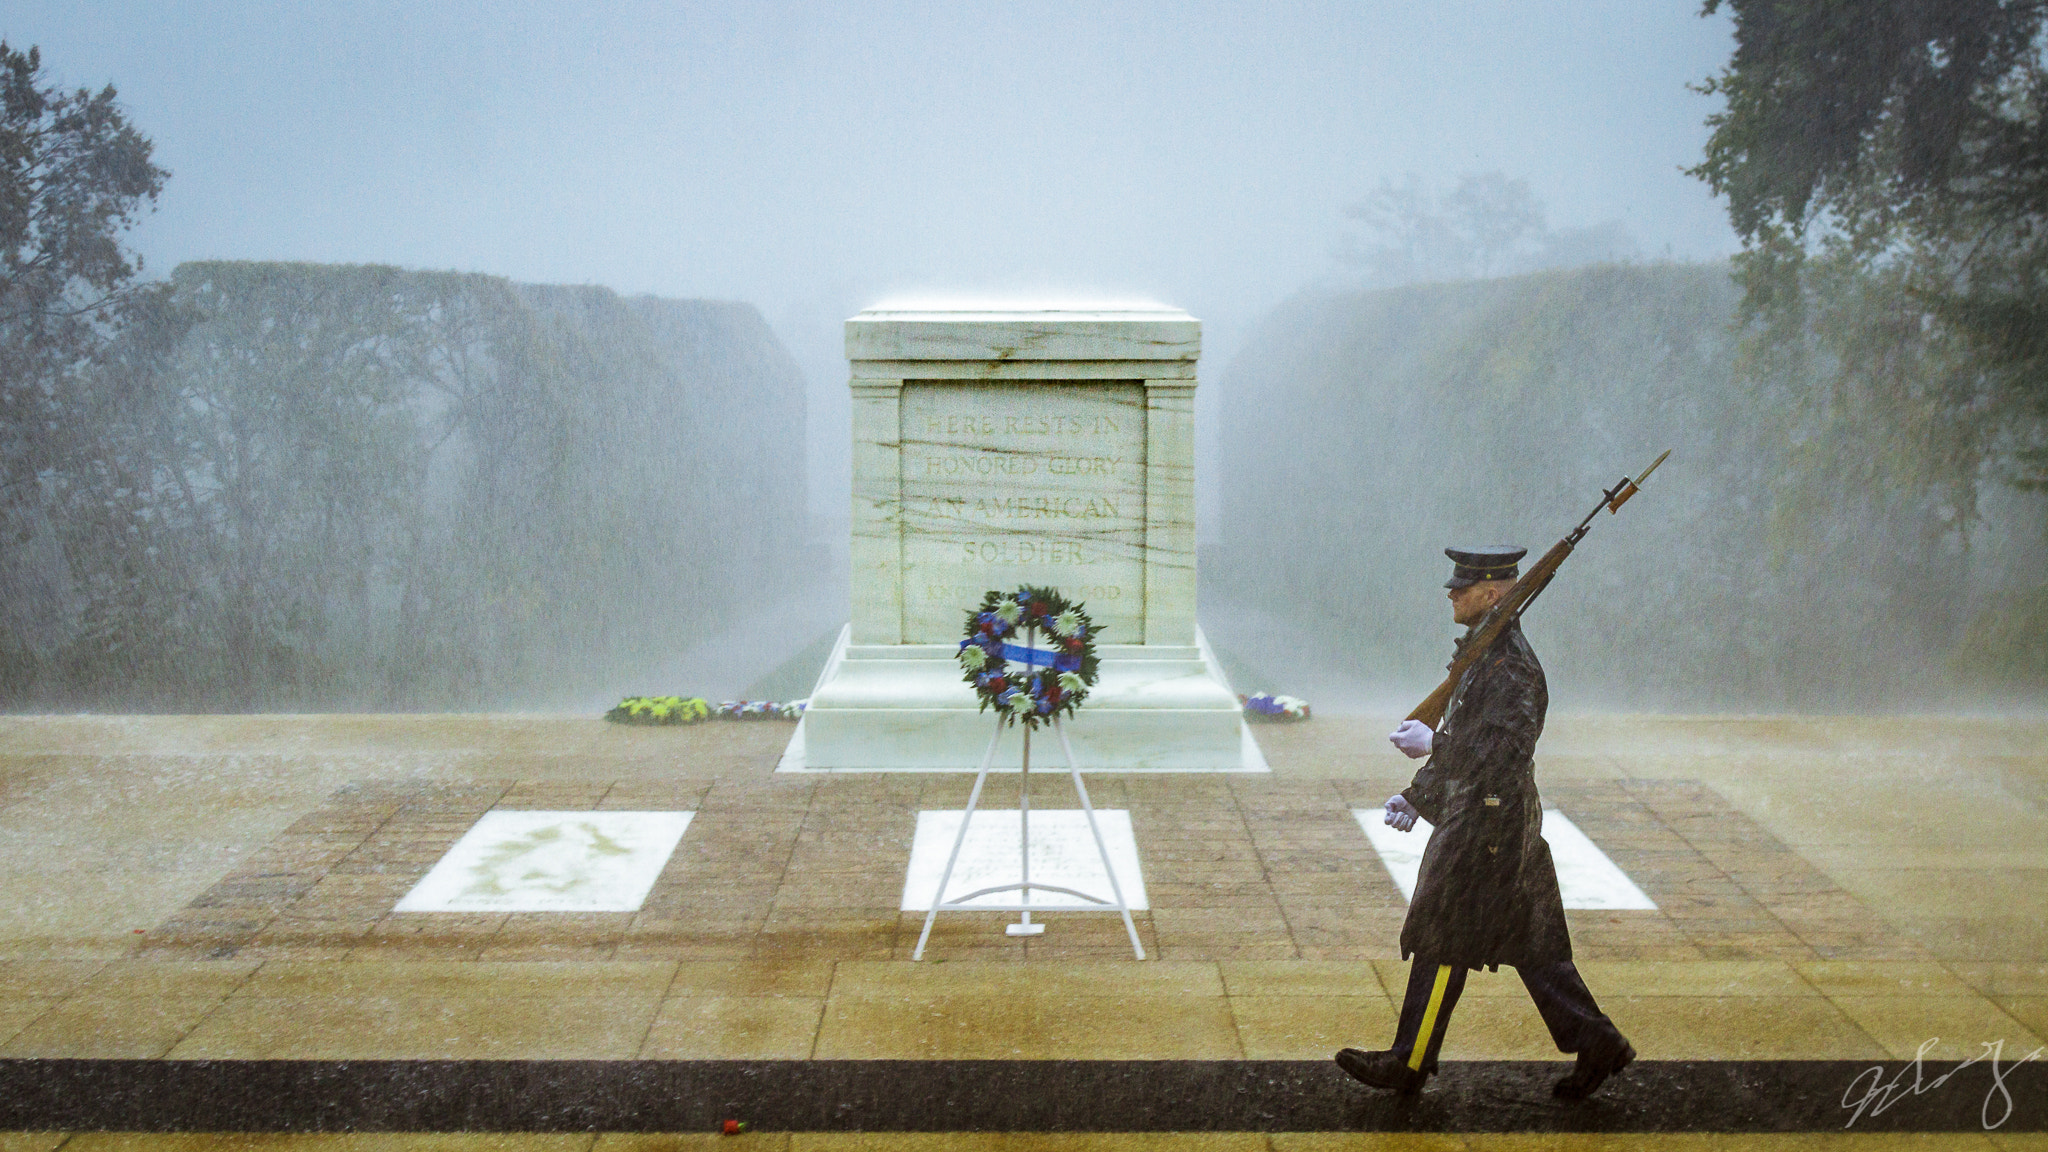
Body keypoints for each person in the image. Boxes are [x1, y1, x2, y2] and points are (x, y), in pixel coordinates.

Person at [1335, 545, 1634, 1100]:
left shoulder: (1511, 667)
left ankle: (1410, 1060)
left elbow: (1502, 754)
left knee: (1444, 938)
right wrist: (1418, 795)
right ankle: (1598, 1042)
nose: (1452, 593)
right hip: (1490, 819)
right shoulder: (1485, 654)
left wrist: (1435, 745)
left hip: (1488, 828)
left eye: (1462, 587)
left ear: (1493, 593)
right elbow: (1473, 741)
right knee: (1533, 947)